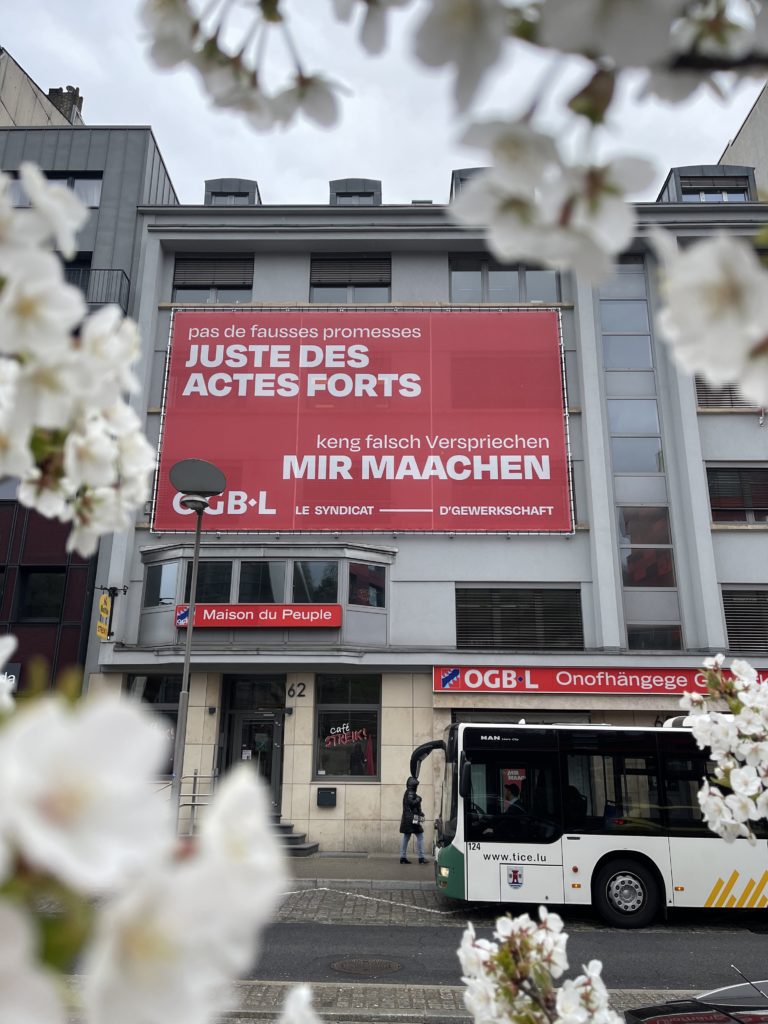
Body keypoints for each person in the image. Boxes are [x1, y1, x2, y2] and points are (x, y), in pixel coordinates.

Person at [399, 776, 427, 864]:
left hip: (408, 819)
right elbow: (412, 803)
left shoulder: (408, 792)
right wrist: (418, 799)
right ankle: (421, 858)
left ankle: (403, 857)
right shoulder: (410, 792)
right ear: (413, 785)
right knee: (420, 836)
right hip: (412, 819)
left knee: (406, 837)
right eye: (416, 785)